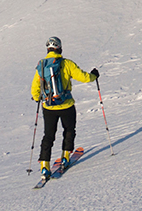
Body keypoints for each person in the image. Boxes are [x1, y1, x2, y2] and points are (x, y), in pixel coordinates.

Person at [30, 36, 98, 181]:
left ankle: (44, 166)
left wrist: (37, 97)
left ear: (48, 49)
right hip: (66, 104)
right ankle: (65, 157)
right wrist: (94, 76)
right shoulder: (66, 63)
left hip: (48, 107)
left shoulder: (41, 65)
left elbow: (35, 87)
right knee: (69, 130)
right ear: (60, 48)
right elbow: (84, 77)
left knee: (48, 135)